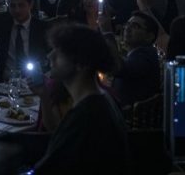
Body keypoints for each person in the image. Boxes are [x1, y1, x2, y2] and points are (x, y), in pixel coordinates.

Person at [34, 24, 129, 173]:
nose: (49, 56)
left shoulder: (87, 115)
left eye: (59, 51)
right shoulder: (101, 100)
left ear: (81, 63)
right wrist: (43, 94)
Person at [0, 0, 47, 82]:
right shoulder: (0, 23)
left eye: (21, 5)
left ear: (31, 5)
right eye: (12, 6)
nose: (17, 10)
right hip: (4, 81)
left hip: (32, 81)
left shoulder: (41, 28)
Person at [112, 11, 161, 107]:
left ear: (149, 37)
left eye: (135, 26)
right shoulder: (138, 54)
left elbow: (118, 68)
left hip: (126, 114)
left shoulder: (145, 57)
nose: (127, 28)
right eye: (127, 24)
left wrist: (107, 32)